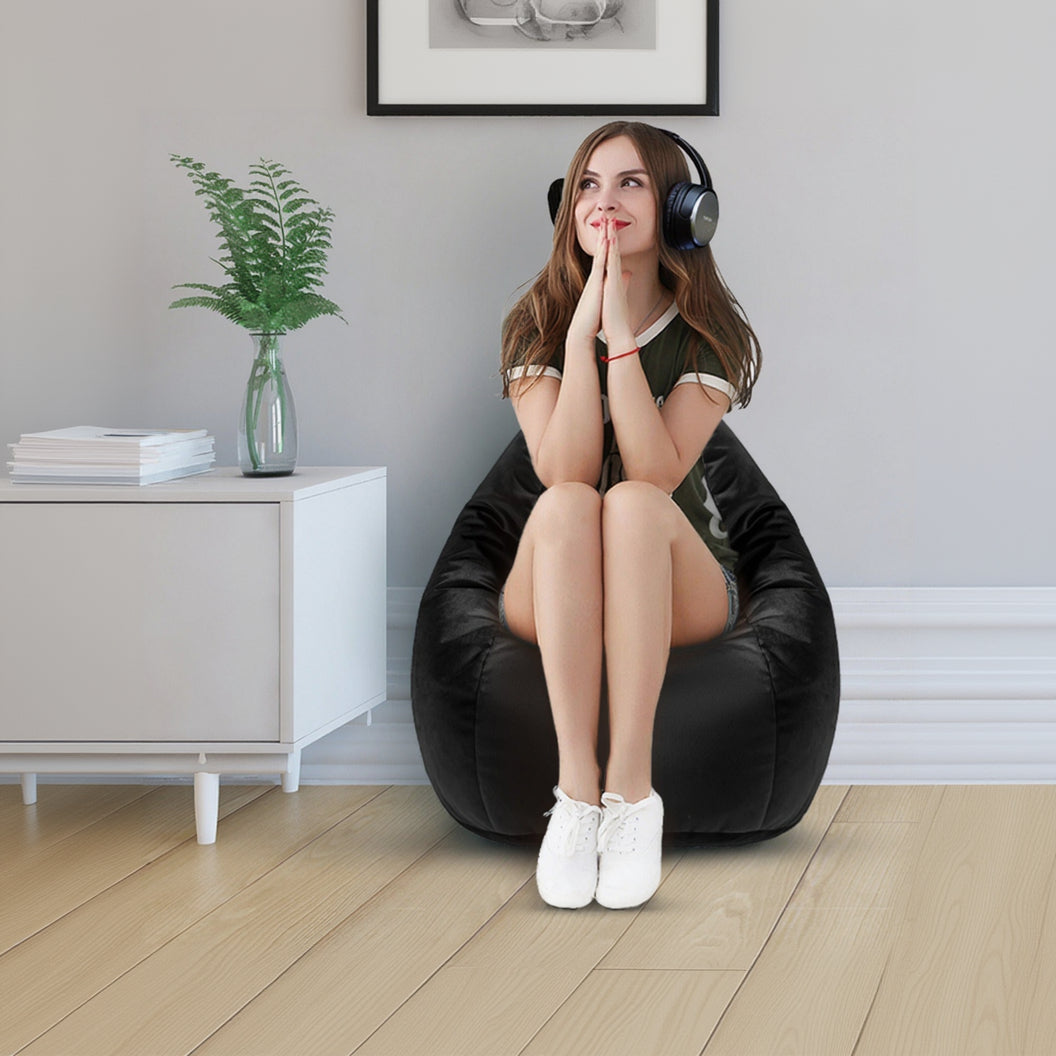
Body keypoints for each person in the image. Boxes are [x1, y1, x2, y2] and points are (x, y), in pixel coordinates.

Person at [498, 122, 761, 909]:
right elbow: (563, 469)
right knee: (571, 502)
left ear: (683, 210)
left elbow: (654, 473)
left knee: (635, 506)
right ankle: (577, 795)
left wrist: (619, 341)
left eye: (630, 183)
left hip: (678, 581)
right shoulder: (537, 322)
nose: (602, 202)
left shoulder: (709, 333)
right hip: (557, 580)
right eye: (587, 185)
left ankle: (632, 793)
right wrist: (581, 335)